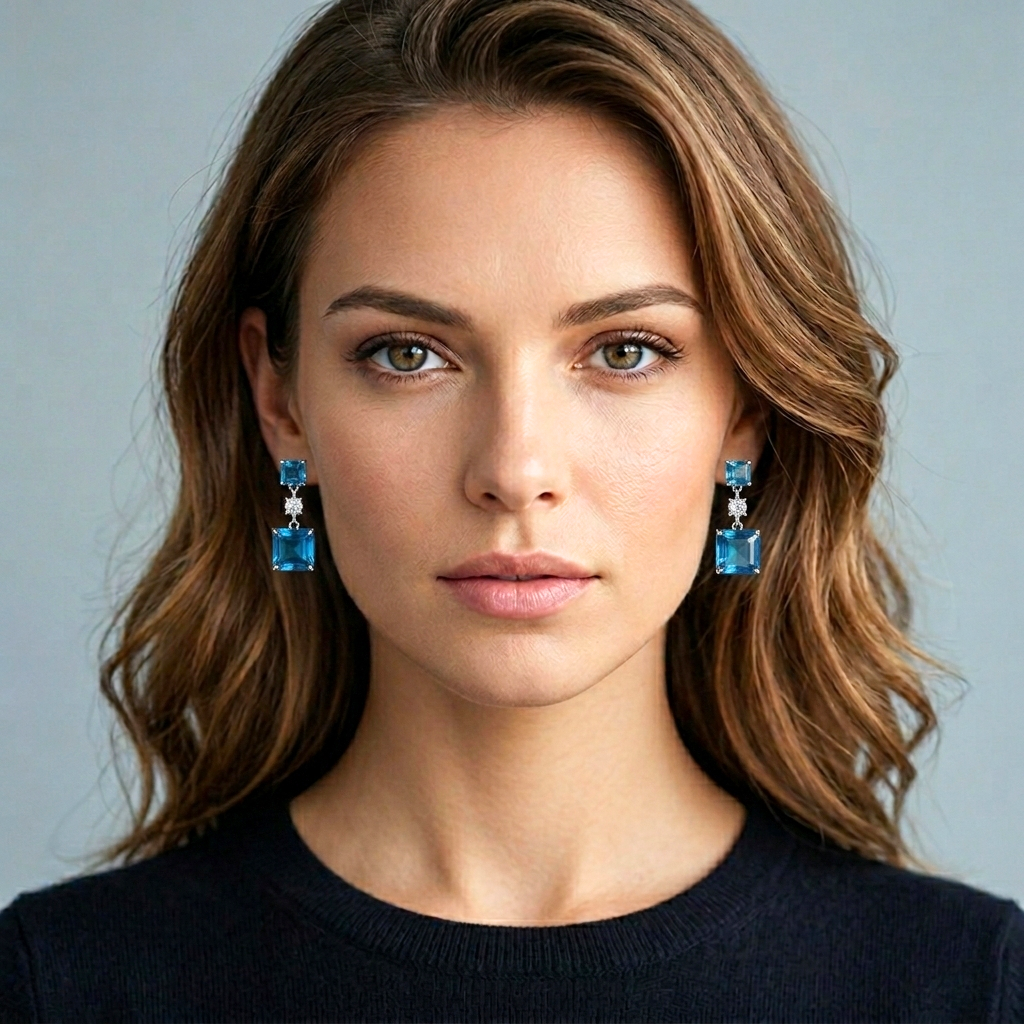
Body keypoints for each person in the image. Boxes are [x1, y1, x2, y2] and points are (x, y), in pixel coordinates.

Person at [2, 0, 1021, 1020]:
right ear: (281, 400)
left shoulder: (966, 988)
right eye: (408, 354)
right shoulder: (63, 986)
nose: (514, 469)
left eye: (625, 350)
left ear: (746, 409)